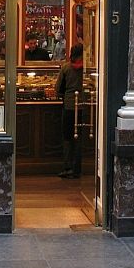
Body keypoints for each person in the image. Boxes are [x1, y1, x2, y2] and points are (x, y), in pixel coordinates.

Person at [56, 44, 84, 178]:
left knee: (67, 137)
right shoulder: (86, 69)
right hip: (83, 106)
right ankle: (77, 168)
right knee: (78, 138)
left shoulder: (66, 67)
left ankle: (67, 167)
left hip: (68, 106)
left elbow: (58, 89)